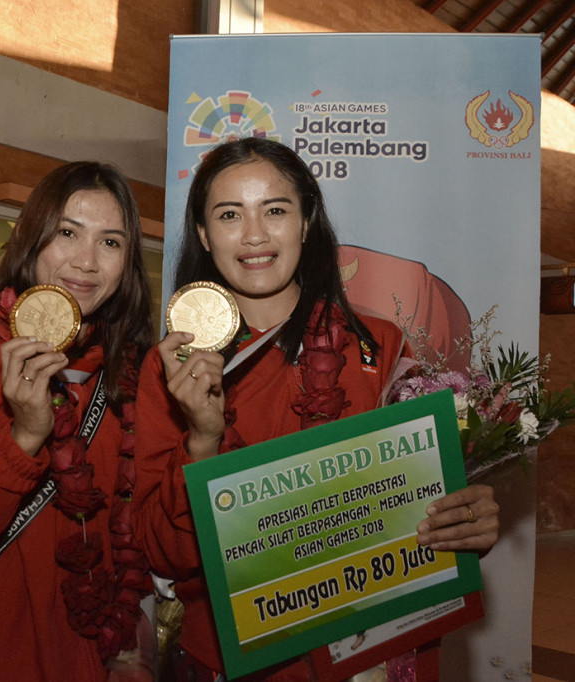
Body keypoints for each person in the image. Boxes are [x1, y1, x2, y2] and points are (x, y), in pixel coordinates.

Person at [131, 138, 500, 681]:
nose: (254, 235)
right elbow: (163, 552)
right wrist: (202, 442)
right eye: (230, 215)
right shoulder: (173, 366)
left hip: (371, 653)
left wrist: (465, 518)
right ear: (205, 235)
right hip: (239, 659)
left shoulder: (379, 346)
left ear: (305, 223)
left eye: (275, 210)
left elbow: (419, 504)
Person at [0, 162, 157, 682]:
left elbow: (136, 535)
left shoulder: (131, 375)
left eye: (110, 242)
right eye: (67, 233)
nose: (86, 261)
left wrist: (132, 645)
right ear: (29, 238)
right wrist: (24, 438)